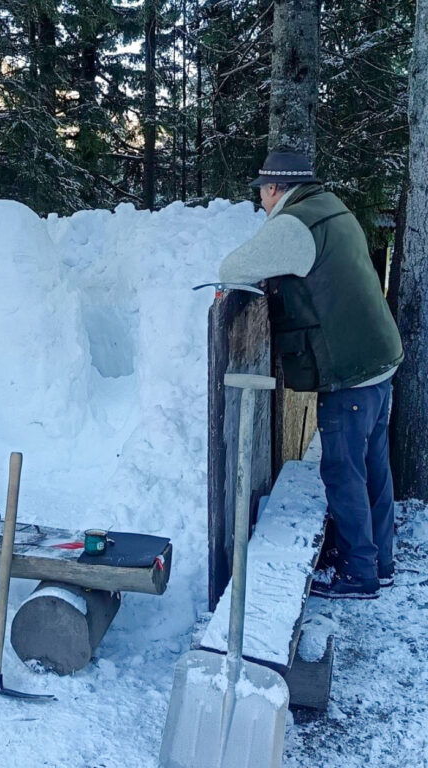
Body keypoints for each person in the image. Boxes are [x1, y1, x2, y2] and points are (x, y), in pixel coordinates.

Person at [218, 146, 403, 599]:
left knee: (343, 471)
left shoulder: (294, 225)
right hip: (379, 359)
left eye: (262, 192)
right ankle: (380, 562)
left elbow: (232, 268)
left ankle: (358, 575)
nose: (260, 200)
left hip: (349, 371)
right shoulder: (331, 208)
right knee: (373, 466)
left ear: (277, 188)